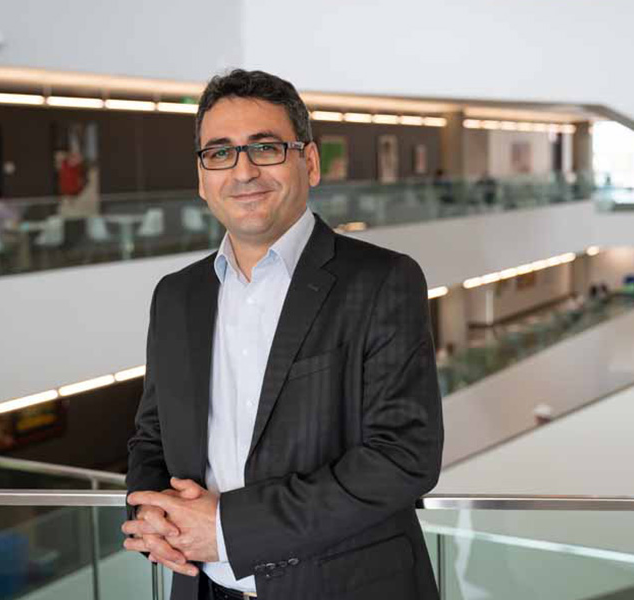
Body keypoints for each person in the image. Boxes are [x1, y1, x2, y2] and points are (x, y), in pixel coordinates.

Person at [122, 69, 443, 600]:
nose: (243, 171)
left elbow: (402, 456)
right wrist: (148, 513)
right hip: (204, 590)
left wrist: (227, 528)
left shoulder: (383, 279)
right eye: (219, 153)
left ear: (309, 162)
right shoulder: (176, 295)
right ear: (203, 178)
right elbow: (152, 435)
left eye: (265, 148)